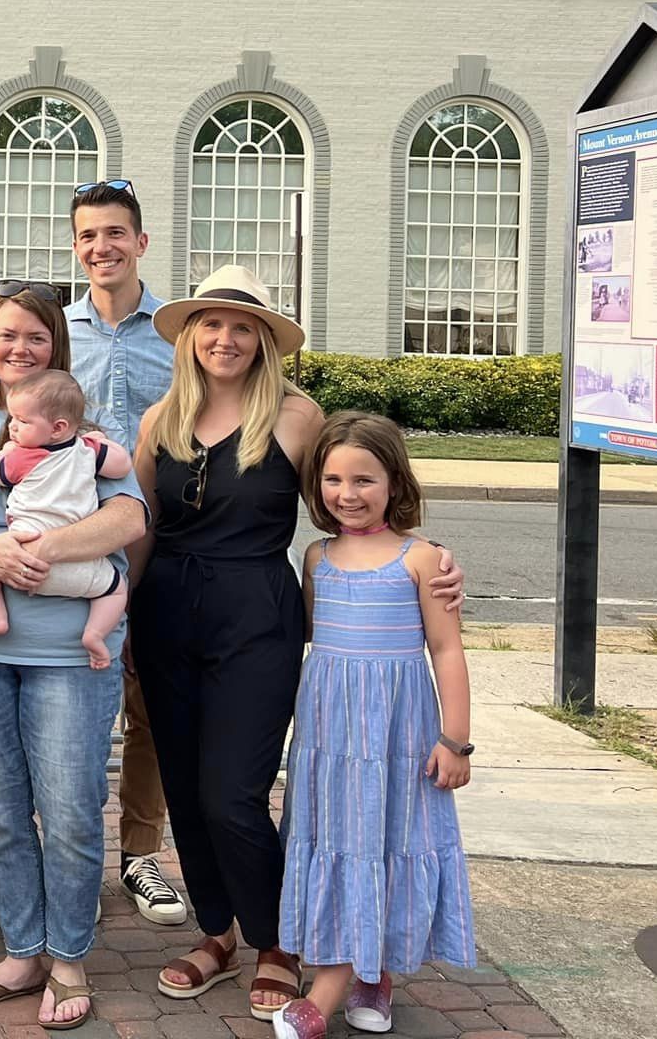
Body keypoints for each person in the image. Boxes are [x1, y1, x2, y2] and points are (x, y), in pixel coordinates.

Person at [131, 266, 464, 1022]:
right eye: (211, 325)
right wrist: (121, 616)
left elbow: (355, 499)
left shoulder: (296, 416)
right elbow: (142, 524)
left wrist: (428, 561)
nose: (226, 338)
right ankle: (216, 934)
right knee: (184, 785)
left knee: (234, 793)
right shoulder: (160, 419)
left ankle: (277, 942)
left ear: (264, 341)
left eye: (242, 326)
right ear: (189, 336)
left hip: (257, 612)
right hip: (166, 611)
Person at [0, 283, 150, 1032]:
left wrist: (41, 552)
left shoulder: (86, 430)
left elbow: (127, 517)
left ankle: (70, 954)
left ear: (57, 346)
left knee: (73, 805)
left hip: (68, 653)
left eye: (36, 338)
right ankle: (22, 949)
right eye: (6, 334)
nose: (19, 348)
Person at [273, 412, 475, 1039]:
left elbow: (446, 650)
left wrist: (455, 739)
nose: (348, 494)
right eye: (333, 479)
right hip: (328, 737)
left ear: (395, 481)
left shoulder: (423, 558)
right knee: (337, 841)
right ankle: (358, 971)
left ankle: (343, 988)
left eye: (364, 479)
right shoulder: (317, 557)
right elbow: (309, 635)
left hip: (397, 736)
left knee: (385, 841)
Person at [62, 179, 182, 926]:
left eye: (114, 234)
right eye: (87, 237)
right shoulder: (54, 331)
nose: (101, 248)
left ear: (141, 242)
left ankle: (141, 854)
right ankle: (72, 860)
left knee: (151, 711)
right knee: (71, 707)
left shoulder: (178, 336)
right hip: (76, 550)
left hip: (165, 549)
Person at [0, 370, 133, 651]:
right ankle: (94, 634)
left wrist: (6, 451)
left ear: (57, 428)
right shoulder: (88, 450)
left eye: (22, 420)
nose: (13, 427)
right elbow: (122, 466)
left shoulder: (24, 455)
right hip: (81, 565)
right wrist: (100, 442)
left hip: (23, 559)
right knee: (116, 589)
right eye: (12, 419)